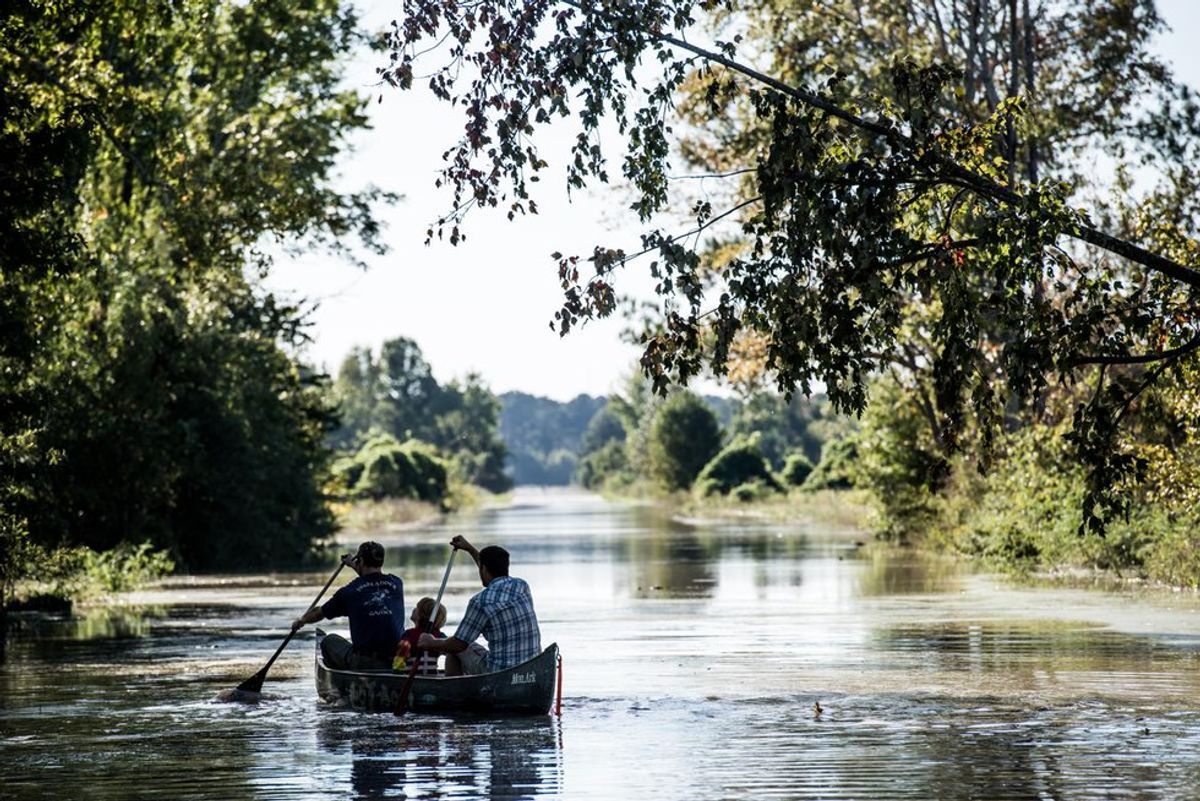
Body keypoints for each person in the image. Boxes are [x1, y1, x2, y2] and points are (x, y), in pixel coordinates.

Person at [418, 535, 541, 675]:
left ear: (483, 568)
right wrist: (469, 549)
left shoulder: (480, 602)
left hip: (499, 673)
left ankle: (456, 695)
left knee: (453, 650)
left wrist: (431, 642)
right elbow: (491, 569)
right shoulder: (521, 587)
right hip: (531, 670)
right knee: (467, 646)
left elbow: (458, 645)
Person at [292, 541, 404, 671]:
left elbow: (319, 613)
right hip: (397, 660)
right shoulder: (396, 584)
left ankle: (343, 677)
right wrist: (354, 565)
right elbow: (371, 579)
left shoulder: (349, 592)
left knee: (328, 641)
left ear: (360, 561)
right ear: (381, 561)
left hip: (364, 662)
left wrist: (302, 620)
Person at [394, 597, 448, 675]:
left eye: (417, 607)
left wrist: (396, 672)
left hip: (412, 678)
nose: (414, 609)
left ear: (422, 614)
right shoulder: (439, 636)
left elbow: (400, 658)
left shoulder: (408, 635)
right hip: (432, 677)